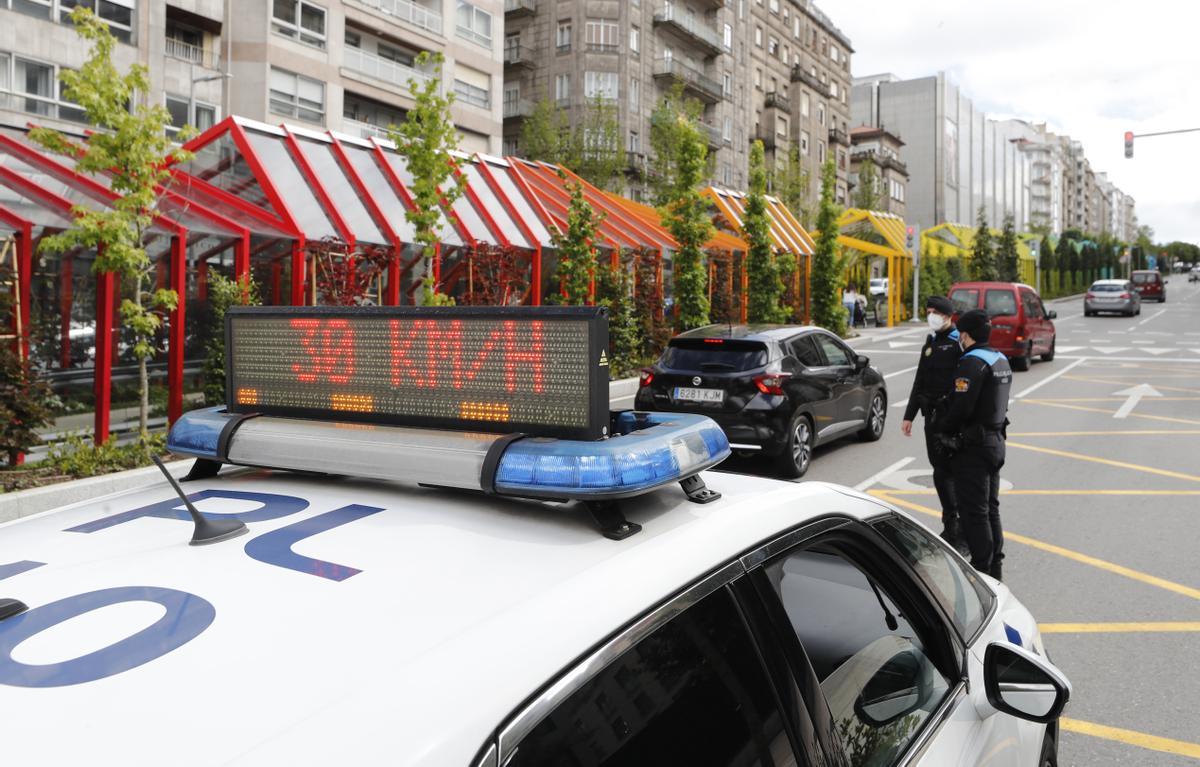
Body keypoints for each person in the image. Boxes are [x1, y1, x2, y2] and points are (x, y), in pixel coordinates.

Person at [936, 309, 1012, 580]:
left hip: (975, 447)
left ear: (965, 335)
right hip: (995, 442)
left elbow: (961, 408)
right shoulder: (1000, 359)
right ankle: (996, 567)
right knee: (990, 507)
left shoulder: (971, 362)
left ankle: (982, 571)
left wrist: (943, 429)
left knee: (974, 512)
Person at [901, 295, 964, 550]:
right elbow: (920, 380)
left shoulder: (958, 342)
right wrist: (909, 415)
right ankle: (950, 527)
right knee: (939, 472)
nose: (931, 317)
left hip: (951, 418)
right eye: (928, 312)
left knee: (951, 474)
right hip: (931, 418)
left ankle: (960, 531)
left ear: (948, 315)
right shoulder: (930, 342)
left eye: (935, 312)